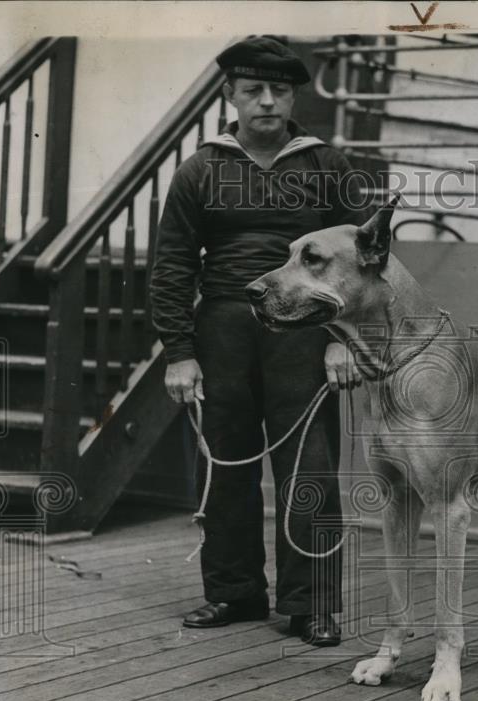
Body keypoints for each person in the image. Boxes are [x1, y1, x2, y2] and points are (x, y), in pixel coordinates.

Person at [150, 37, 366, 646]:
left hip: (305, 331)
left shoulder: (329, 166)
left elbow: (361, 262)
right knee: (223, 467)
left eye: (278, 90)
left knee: (310, 469)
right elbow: (171, 265)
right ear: (232, 96)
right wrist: (180, 351)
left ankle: (312, 603)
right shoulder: (201, 169)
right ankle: (233, 592)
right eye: (252, 91)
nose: (266, 101)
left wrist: (341, 338)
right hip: (223, 330)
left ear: (293, 95)